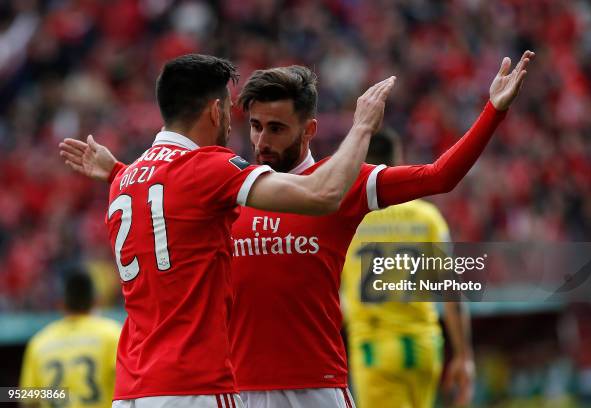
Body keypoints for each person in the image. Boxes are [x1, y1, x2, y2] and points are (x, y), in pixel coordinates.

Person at [60, 51, 533, 407]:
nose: (262, 140)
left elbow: (439, 177)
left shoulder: (341, 180)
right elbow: (172, 192)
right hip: (236, 389)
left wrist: (492, 111)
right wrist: (120, 168)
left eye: (277, 129)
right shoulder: (228, 185)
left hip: (317, 389)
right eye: (256, 126)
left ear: (308, 130)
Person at [59, 53, 394, 408]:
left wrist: (116, 171)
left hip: (131, 390)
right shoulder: (210, 167)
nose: (238, 128)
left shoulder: (124, 181)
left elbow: (168, 195)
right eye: (235, 114)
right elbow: (324, 194)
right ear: (216, 111)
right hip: (196, 386)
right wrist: (362, 128)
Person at [342, 129, 474, 408]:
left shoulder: (348, 218)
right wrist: (464, 355)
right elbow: (451, 290)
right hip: (423, 348)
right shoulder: (428, 217)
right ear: (399, 161)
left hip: (373, 349)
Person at [20, 270, 122, 408]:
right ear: (97, 300)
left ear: (62, 303)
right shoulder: (113, 334)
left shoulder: (39, 341)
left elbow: (29, 400)